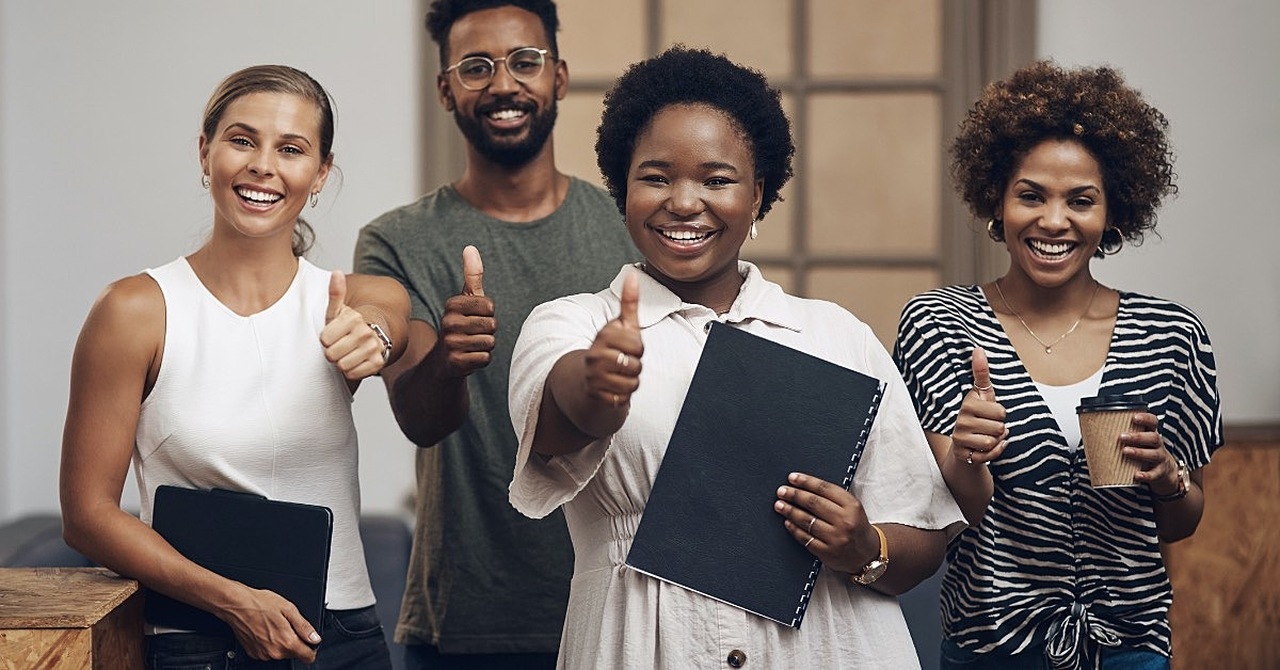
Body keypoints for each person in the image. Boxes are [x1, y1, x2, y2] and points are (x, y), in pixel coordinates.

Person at [506, 46, 964, 670]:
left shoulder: (837, 336)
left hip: (831, 646)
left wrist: (864, 546)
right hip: (640, 643)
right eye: (656, 177)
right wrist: (599, 385)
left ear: (758, 195)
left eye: (717, 180)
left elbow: (922, 534)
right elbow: (562, 418)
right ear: (622, 187)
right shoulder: (572, 323)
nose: (685, 202)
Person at [59, 64, 410, 669]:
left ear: (320, 173)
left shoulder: (347, 300)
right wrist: (232, 601)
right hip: (198, 642)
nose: (262, 165)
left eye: (292, 149)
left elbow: (392, 311)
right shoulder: (134, 311)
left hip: (343, 640)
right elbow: (87, 516)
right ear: (205, 151)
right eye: (242, 140)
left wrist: (374, 333)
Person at [892, 60, 1223, 670]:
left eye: (1081, 200)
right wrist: (967, 455)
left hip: (1130, 649)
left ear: (1114, 210)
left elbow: (1181, 523)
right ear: (997, 199)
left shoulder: (1171, 336)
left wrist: (1167, 479)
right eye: (1030, 196)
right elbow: (953, 511)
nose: (1053, 221)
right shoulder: (940, 324)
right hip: (992, 646)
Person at [352, 1, 637, 667]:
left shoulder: (627, 229)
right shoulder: (399, 241)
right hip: (463, 624)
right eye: (476, 67)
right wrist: (449, 362)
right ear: (445, 89)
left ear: (559, 77)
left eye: (524, 62)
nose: (503, 85)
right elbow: (420, 422)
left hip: (621, 611)